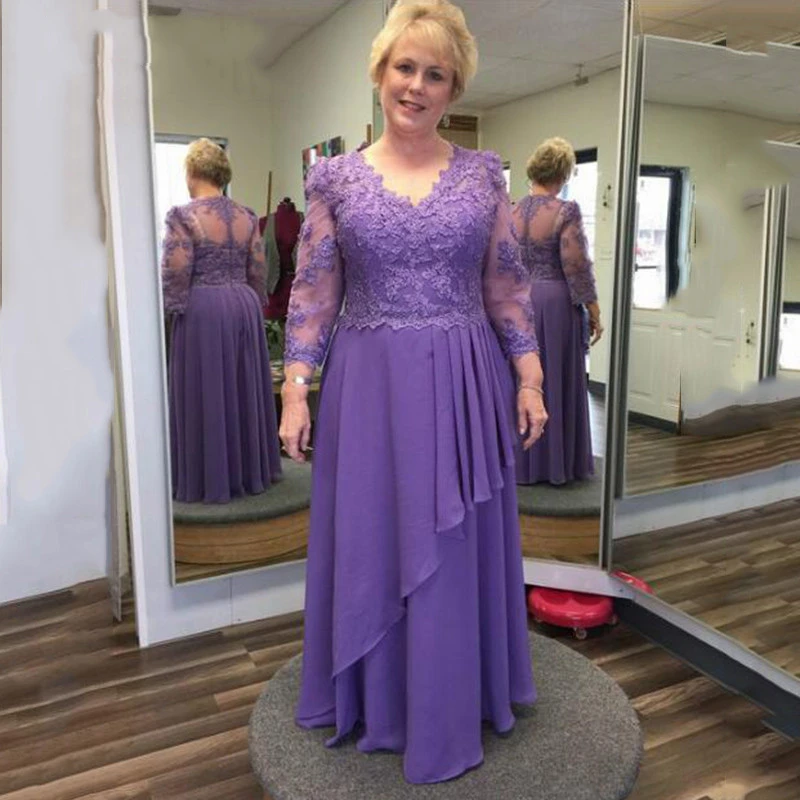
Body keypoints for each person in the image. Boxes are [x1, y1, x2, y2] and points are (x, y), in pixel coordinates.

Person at [279, 0, 546, 785]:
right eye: (405, 67)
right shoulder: (335, 180)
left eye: (436, 74)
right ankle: (380, 698)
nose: (417, 86)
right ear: (380, 71)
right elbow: (313, 294)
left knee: (454, 545)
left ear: (453, 89)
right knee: (372, 535)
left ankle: (451, 698)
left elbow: (506, 287)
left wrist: (530, 377)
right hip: (369, 387)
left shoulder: (483, 176)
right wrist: (295, 390)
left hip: (465, 381)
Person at [161, 138, 282, 503]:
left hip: (203, 308)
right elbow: (257, 269)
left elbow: (176, 270)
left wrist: (170, 308)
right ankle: (248, 471)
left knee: (206, 389)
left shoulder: (183, 217)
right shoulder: (247, 216)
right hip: (243, 305)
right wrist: (252, 303)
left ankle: (209, 476)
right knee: (242, 387)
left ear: (192, 172)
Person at [512, 137, 602, 486]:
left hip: (519, 303)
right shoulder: (566, 211)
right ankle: (556, 464)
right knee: (555, 378)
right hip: (555, 303)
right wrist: (594, 309)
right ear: (563, 175)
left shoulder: (512, 212)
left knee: (524, 380)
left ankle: (523, 462)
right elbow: (576, 265)